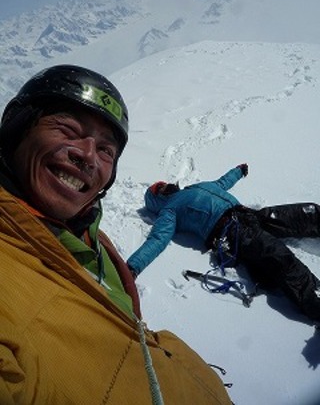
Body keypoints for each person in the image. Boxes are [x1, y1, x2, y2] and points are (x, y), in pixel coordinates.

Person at [0, 65, 232, 405]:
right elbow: (158, 239)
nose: (88, 156)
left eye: (106, 150)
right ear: (16, 131)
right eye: (66, 129)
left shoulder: (88, 234)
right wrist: (136, 266)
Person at [127, 165, 320, 326]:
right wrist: (133, 267)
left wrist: (237, 171)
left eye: (162, 184)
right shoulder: (169, 210)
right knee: (281, 258)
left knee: (306, 213)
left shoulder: (195, 187)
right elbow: (158, 239)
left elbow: (221, 183)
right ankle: (315, 300)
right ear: (157, 200)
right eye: (158, 189)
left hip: (250, 216)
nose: (165, 186)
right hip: (235, 233)